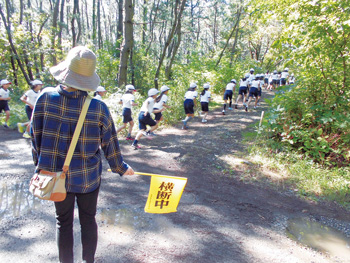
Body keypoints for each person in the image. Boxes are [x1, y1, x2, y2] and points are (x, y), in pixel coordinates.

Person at [30, 46, 134, 263]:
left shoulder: (44, 98)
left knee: (63, 222)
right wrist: (121, 168)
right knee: (88, 220)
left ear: (66, 71)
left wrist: (42, 167)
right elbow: (110, 144)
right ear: (89, 78)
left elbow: (35, 137)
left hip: (55, 177)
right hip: (88, 178)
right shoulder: (98, 107)